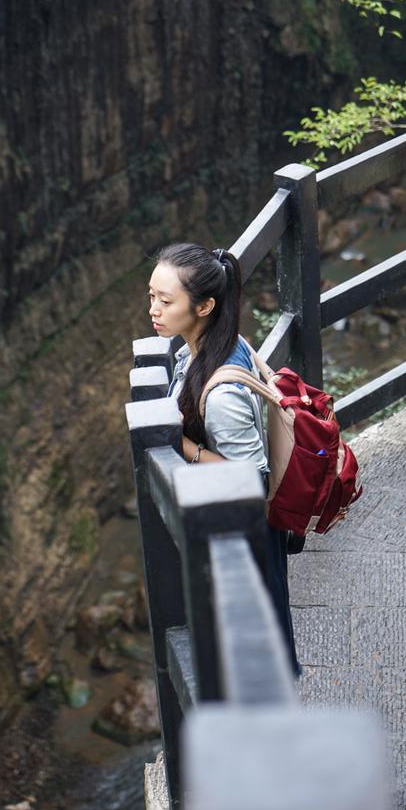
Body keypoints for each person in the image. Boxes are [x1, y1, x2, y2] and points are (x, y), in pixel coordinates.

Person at [148, 241, 300, 676]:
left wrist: (182, 445)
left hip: (247, 539)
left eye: (166, 300)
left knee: (257, 648)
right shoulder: (218, 343)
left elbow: (250, 481)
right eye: (151, 296)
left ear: (204, 306)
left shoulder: (221, 395)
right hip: (235, 531)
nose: (154, 309)